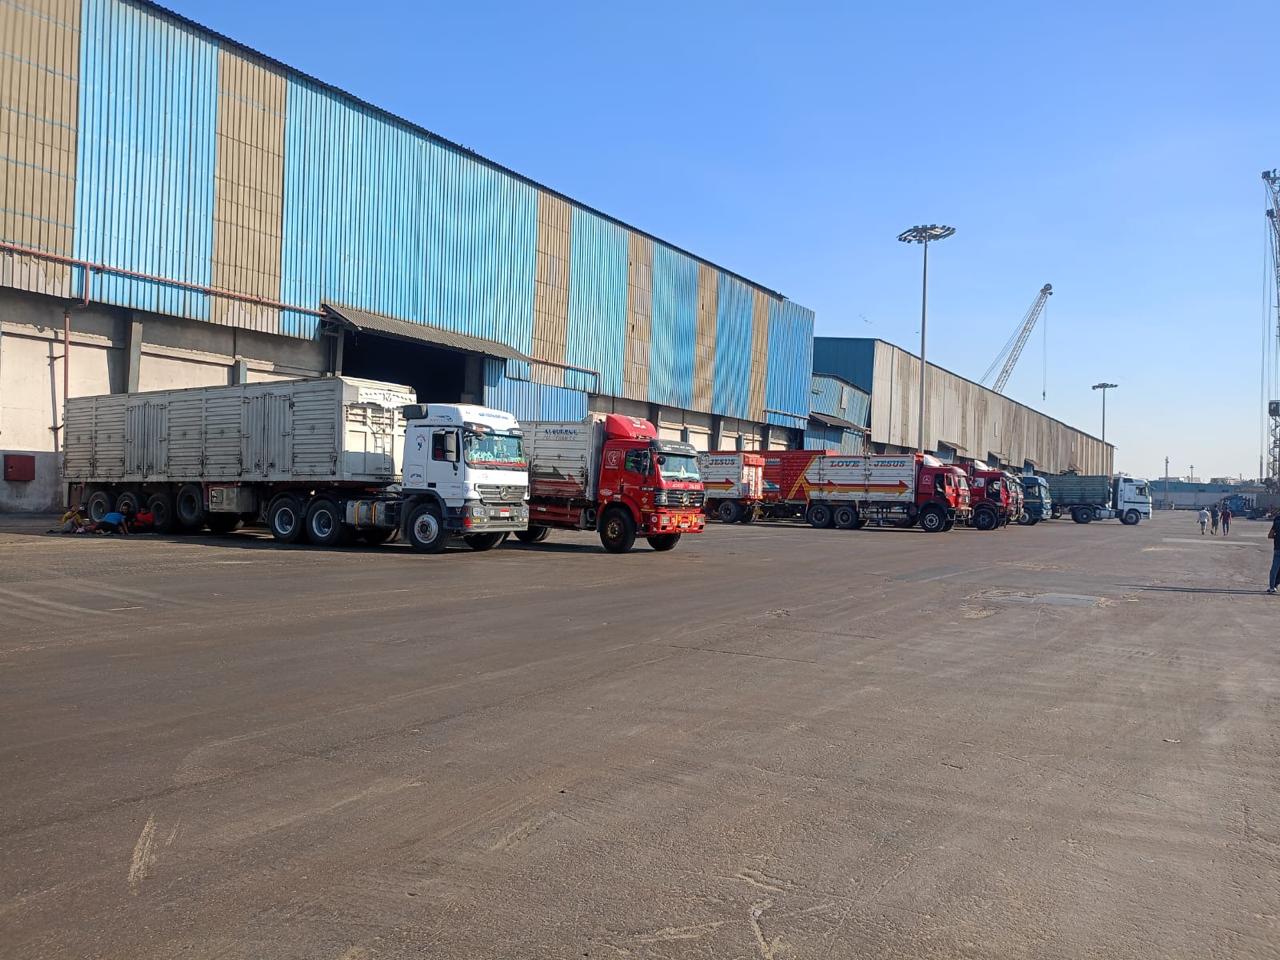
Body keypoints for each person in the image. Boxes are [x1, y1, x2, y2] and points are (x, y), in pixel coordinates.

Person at [1269, 512, 1280, 594]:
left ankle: (1272, 587)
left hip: (1278, 548)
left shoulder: (1277, 520)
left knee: (1274, 569)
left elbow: (1270, 535)